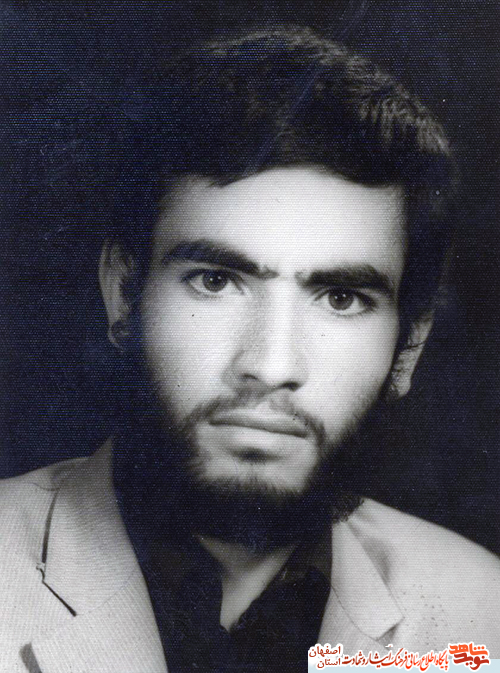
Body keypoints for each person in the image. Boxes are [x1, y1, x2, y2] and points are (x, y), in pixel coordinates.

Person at [0, 26, 498, 673]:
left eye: (341, 298)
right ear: (124, 295)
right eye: (215, 281)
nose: (270, 365)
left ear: (408, 348)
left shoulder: (483, 613)